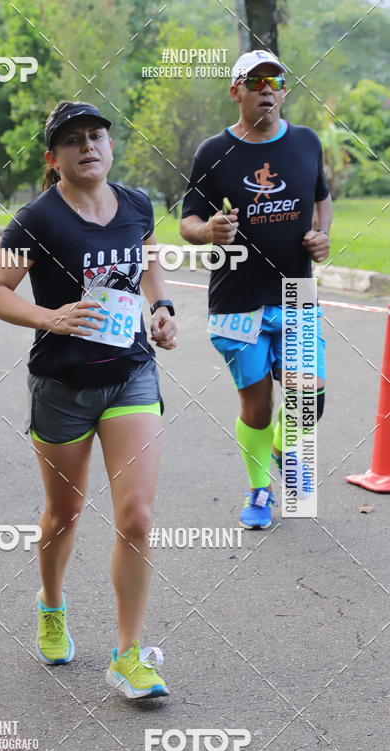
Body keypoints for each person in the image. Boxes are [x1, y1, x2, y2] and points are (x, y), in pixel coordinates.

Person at [0, 100, 177, 698]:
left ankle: (128, 654)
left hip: (130, 374)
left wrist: (162, 308)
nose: (88, 146)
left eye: (96, 136)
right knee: (64, 514)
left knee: (137, 517)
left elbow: (147, 259)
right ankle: (51, 604)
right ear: (53, 157)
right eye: (73, 140)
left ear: (110, 146)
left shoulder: (136, 204)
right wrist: (52, 317)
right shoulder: (36, 218)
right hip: (62, 385)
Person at [179, 50, 331, 529]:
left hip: (296, 292)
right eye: (255, 80)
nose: (267, 88)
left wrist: (322, 235)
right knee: (257, 407)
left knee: (309, 398)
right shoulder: (213, 152)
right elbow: (187, 222)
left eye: (275, 80)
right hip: (236, 302)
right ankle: (260, 490)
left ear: (284, 90)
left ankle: (285, 450)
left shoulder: (306, 142)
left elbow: (322, 199)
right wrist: (209, 231)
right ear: (236, 91)